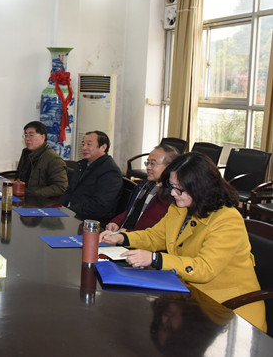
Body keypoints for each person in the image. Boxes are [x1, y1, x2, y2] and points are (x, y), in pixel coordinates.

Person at [100, 152, 266, 332]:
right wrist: (122, 237)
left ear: (201, 187)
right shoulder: (181, 207)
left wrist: (155, 259)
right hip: (190, 298)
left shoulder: (227, 219)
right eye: (172, 186)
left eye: (179, 189)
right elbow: (156, 236)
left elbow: (205, 268)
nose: (173, 193)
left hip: (228, 310)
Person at [104, 144, 180, 232]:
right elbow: (132, 210)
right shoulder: (146, 185)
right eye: (148, 163)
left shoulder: (168, 195)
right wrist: (116, 222)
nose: (148, 167)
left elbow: (153, 231)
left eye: (153, 164)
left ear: (170, 167)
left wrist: (126, 234)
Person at [58, 130, 122, 220]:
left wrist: (68, 211)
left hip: (89, 219)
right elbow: (69, 191)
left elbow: (100, 205)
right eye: (83, 144)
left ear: (103, 147)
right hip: (72, 214)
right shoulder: (83, 165)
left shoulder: (110, 171)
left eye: (89, 144)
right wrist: (58, 208)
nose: (84, 148)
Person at [16, 121, 68, 198]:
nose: (27, 139)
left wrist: (31, 193)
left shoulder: (54, 159)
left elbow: (60, 187)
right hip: (24, 197)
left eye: (31, 135)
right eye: (25, 135)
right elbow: (19, 176)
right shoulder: (26, 153)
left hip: (42, 201)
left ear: (43, 137)